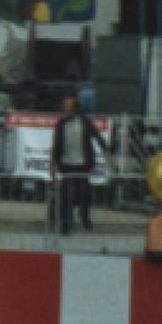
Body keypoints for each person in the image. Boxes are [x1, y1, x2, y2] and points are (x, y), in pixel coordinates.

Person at [50, 95, 109, 234]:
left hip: (83, 164)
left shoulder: (84, 122)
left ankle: (85, 218)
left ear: (75, 109)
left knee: (84, 193)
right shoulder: (61, 124)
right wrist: (54, 163)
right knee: (66, 195)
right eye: (64, 107)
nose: (65, 109)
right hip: (67, 163)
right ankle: (66, 222)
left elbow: (97, 137)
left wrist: (107, 153)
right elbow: (57, 145)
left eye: (68, 107)